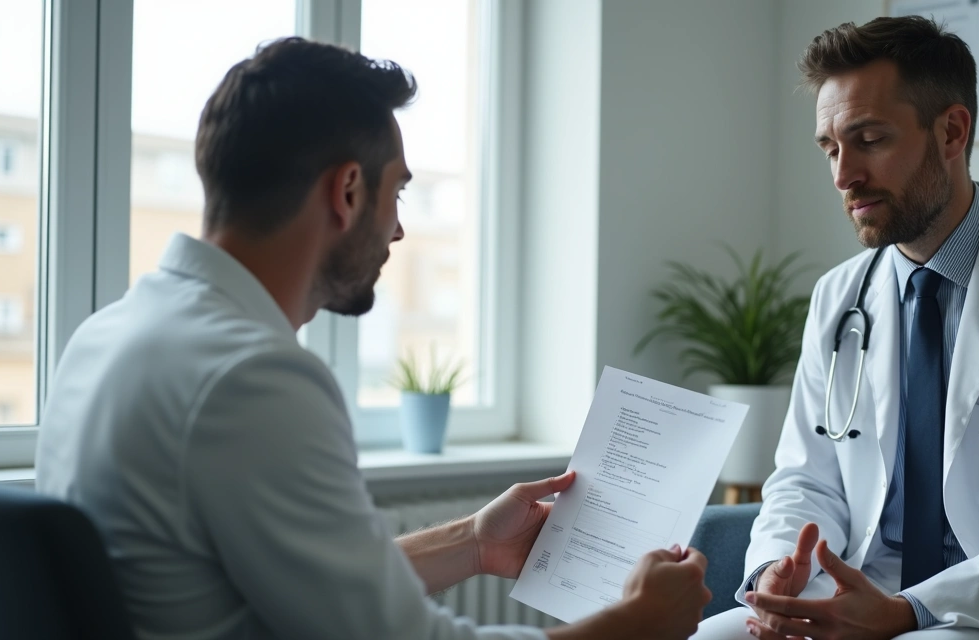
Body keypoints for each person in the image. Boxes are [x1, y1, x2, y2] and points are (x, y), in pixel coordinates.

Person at [35, 37, 709, 640]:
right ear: (348, 191)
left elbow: (310, 589)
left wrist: (473, 543)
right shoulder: (251, 379)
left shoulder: (109, 335)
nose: (399, 230)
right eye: (398, 194)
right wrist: (634, 627)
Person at [693, 16, 979, 640]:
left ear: (951, 131)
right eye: (831, 148)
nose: (843, 175)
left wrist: (908, 610)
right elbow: (805, 478)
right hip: (868, 590)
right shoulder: (840, 295)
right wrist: (779, 568)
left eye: (869, 139)